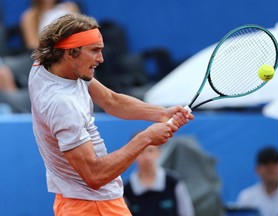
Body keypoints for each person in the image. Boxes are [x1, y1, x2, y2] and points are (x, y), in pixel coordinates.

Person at [28, 13, 194, 216]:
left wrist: (161, 113)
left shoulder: (46, 68)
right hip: (94, 207)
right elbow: (95, 176)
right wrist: (146, 138)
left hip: (78, 202)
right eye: (95, 51)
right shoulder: (63, 105)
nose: (101, 58)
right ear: (71, 52)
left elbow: (111, 101)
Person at [0, 0, 80, 112]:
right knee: (2, 72)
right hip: (40, 57)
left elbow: (78, 36)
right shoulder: (29, 15)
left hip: (69, 56)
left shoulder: (69, 8)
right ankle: (17, 110)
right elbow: (33, 45)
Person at [124, 145, 195, 216]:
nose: (147, 157)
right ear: (133, 156)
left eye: (150, 150)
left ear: (159, 152)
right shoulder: (126, 190)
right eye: (141, 152)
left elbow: (187, 212)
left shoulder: (173, 182)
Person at [236, 146, 278, 216]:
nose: (271, 168)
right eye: (266, 164)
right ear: (257, 169)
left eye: (275, 164)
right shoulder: (247, 198)